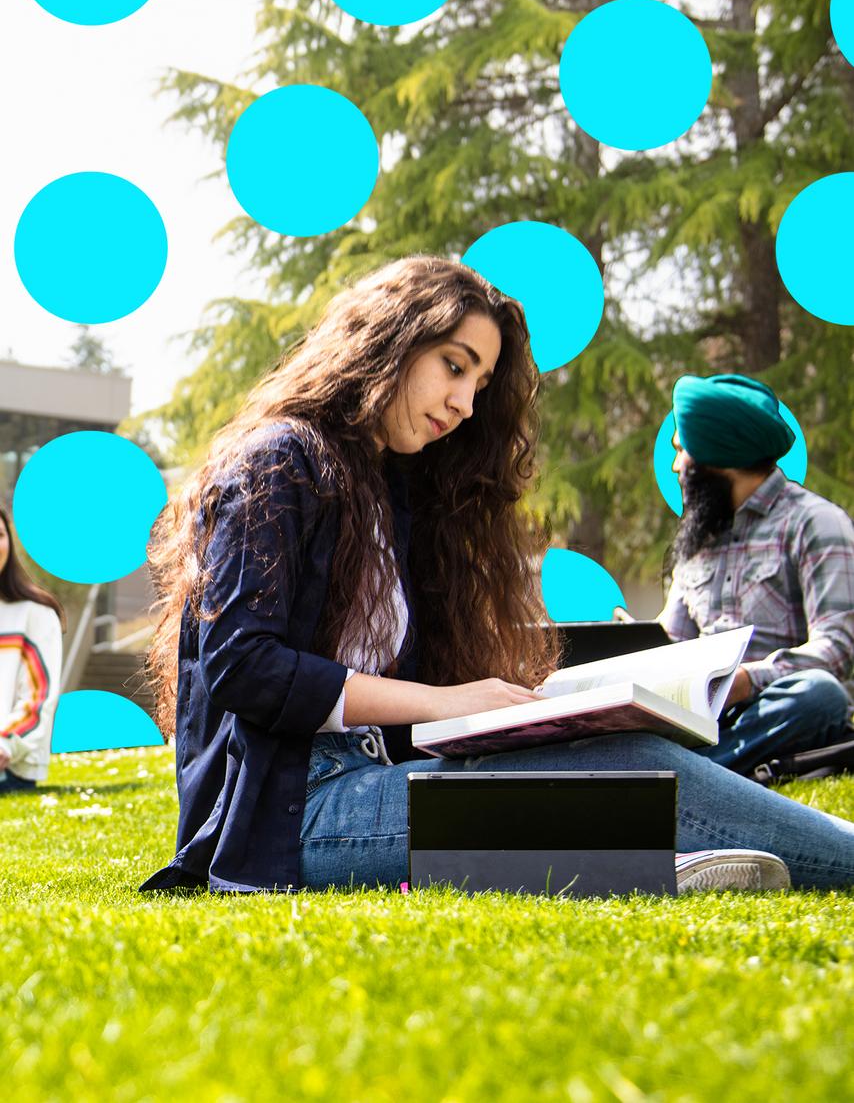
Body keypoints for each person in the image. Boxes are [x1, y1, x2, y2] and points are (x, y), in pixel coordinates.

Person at [142, 260, 854, 896]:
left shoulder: (393, 491)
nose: (465, 404)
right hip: (291, 810)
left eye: (480, 384)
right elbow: (244, 666)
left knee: (622, 758)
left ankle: (650, 868)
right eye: (454, 366)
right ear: (388, 340)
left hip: (372, 777)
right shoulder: (279, 461)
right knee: (636, 771)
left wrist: (515, 714)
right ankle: (653, 865)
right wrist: (445, 702)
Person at [660, 373, 854, 776]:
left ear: (718, 455)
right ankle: (695, 770)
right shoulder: (698, 539)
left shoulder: (815, 523)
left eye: (683, 450)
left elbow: (836, 651)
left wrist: (745, 680)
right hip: (701, 717)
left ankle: (687, 775)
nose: (677, 465)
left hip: (771, 708)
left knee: (821, 695)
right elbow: (671, 642)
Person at [0, 504, 64, 793]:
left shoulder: (35, 614)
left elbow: (38, 699)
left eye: (0, 535)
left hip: (9, 768)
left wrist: (6, 741)